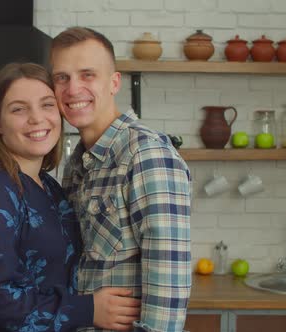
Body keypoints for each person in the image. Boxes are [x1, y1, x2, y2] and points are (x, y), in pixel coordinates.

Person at [0, 62, 141, 332]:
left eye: (47, 105)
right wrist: (89, 309)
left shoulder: (48, 186)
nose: (36, 118)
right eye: (19, 109)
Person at [50, 27, 192, 332]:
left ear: (114, 82)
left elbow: (168, 283)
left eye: (87, 75)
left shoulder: (145, 154)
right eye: (62, 77)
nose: (73, 89)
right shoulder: (77, 164)